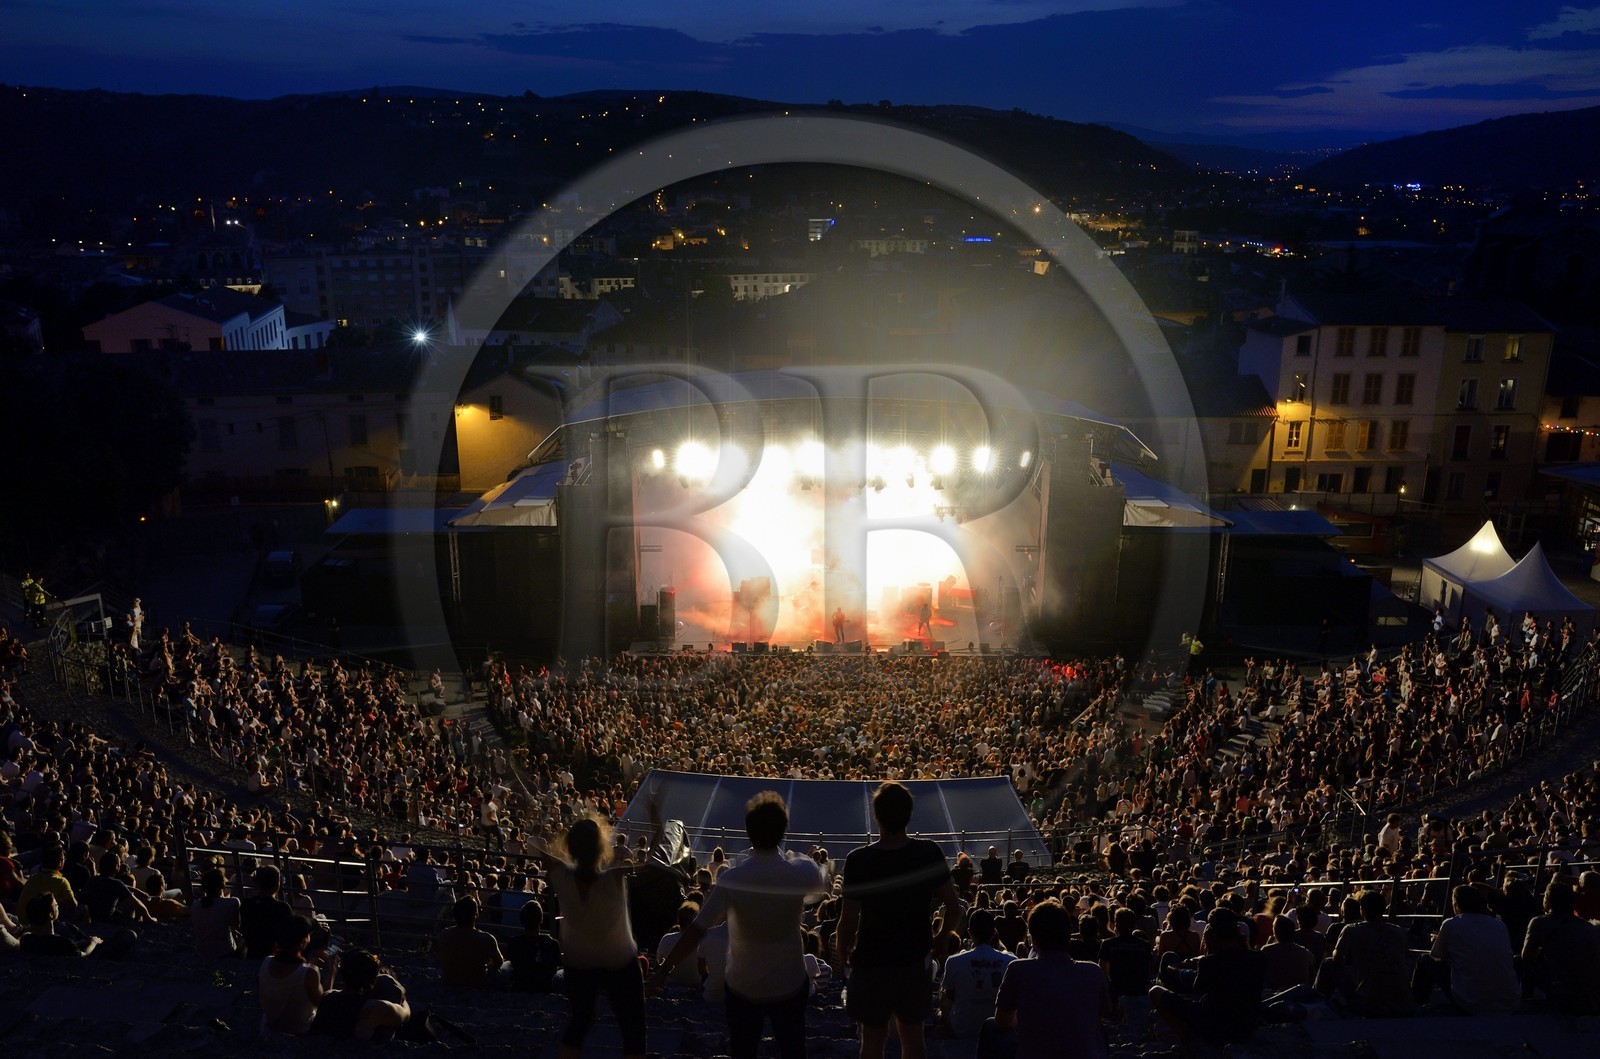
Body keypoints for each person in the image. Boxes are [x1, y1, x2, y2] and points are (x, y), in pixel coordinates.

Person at [650, 791, 827, 1059]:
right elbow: (817, 885)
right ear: (782, 831)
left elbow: (697, 929)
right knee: (794, 1051)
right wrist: (796, 855)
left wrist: (662, 973)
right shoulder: (800, 872)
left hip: (744, 987)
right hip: (789, 983)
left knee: (743, 1052)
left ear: (748, 831)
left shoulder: (732, 879)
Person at [835, 781, 966, 1059]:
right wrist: (941, 940)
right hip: (913, 960)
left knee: (871, 1042)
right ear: (908, 814)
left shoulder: (858, 859)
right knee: (913, 1038)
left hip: (871, 962)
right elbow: (955, 908)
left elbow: (848, 918)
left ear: (877, 816)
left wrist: (843, 951)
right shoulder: (928, 853)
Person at [538, 816, 647, 1059]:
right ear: (601, 848)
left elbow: (537, 848)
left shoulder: (559, 874)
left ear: (571, 848)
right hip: (620, 961)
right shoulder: (616, 877)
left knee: (579, 1023)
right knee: (633, 1030)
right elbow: (650, 861)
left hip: (578, 961)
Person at [984, 899, 1113, 1059]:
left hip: (1034, 1052)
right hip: (1082, 1051)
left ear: (1033, 939)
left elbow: (1002, 1022)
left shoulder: (1018, 970)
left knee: (989, 1026)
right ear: (1068, 935)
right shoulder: (1093, 971)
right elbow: (1099, 1018)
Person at [1149, 908, 1265, 1049]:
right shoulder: (1258, 958)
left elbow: (1197, 987)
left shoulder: (1209, 962)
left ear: (1213, 933)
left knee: (1155, 991)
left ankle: (1186, 1039)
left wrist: (1177, 968)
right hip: (1247, 1024)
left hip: (1212, 1022)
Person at [1425, 885, 1519, 1014]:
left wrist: (1438, 941)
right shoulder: (1498, 924)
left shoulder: (1451, 924)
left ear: (1456, 905)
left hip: (1469, 1000)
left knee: (1425, 960)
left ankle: (1418, 1001)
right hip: (1508, 1000)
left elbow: (1437, 956)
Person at [1320, 890, 1414, 1017]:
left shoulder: (1352, 929)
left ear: (1361, 910)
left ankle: (1317, 1004)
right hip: (1402, 1001)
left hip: (1368, 1001)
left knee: (1328, 963)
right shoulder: (1398, 931)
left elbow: (1337, 959)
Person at [1519, 883, 1600, 1014]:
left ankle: (1525, 999)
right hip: (1589, 991)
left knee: (1518, 961)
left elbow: (1526, 956)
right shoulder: (1586, 926)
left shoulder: (1539, 922)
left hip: (1560, 987)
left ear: (1548, 900)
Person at [939, 908, 1016, 1041]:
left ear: (970, 932)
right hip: (998, 1031)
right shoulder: (1010, 962)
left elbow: (947, 999)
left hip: (961, 1030)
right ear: (993, 933)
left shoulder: (954, 962)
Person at [260, 914, 338, 1036]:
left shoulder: (267, 962)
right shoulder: (310, 972)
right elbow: (323, 1005)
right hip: (300, 1031)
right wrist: (332, 970)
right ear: (303, 941)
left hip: (269, 1028)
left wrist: (309, 964)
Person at [310, 948, 412, 1041]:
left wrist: (332, 972)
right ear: (373, 978)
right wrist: (400, 991)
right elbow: (406, 1015)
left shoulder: (327, 997)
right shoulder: (375, 1008)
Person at [435, 895, 506, 987]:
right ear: (476, 914)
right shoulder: (486, 939)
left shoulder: (444, 935)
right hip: (476, 983)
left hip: (449, 982)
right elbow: (498, 962)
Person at [504, 899, 563, 993]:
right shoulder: (552, 944)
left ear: (522, 919)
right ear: (541, 919)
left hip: (521, 987)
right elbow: (556, 968)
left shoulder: (513, 943)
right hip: (545, 988)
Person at [241, 864, 296, 960]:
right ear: (278, 883)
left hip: (252, 953)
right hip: (275, 958)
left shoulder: (247, 903)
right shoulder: (282, 907)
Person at [191, 866, 244, 959]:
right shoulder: (233, 902)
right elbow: (236, 926)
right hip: (226, 951)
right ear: (223, 885)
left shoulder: (196, 905)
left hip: (201, 951)